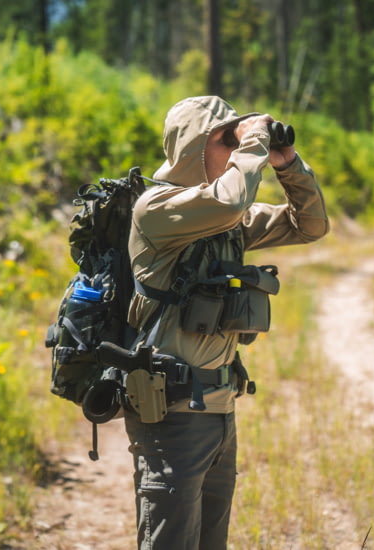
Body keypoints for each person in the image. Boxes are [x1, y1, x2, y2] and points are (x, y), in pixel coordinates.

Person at [124, 95, 329, 550]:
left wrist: (288, 164)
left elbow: (310, 225)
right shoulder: (158, 210)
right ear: (193, 148)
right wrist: (253, 140)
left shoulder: (220, 217)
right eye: (226, 139)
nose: (237, 148)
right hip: (171, 413)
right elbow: (233, 201)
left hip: (218, 408)